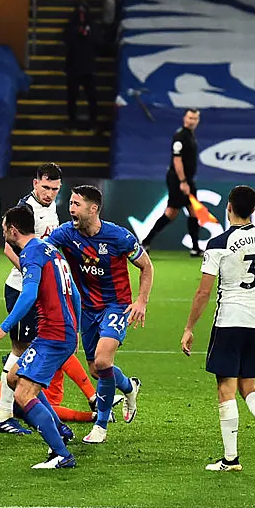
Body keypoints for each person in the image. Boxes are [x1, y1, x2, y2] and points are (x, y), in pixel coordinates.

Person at [180, 185, 255, 473]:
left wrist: (189, 327)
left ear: (229, 207)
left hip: (229, 320)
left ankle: (231, 459)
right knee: (248, 386)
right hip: (254, 320)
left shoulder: (219, 243)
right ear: (253, 209)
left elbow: (203, 293)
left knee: (226, 389)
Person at [47, 185, 152, 444]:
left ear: (93, 209)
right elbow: (43, 252)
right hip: (86, 309)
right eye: (70, 203)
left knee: (104, 362)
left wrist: (141, 301)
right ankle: (128, 386)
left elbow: (146, 266)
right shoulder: (65, 234)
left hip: (116, 306)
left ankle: (100, 426)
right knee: (96, 369)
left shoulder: (118, 237)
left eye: (76, 204)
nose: (71, 208)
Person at [0, 205, 81, 469]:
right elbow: (75, 295)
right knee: (14, 377)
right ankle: (58, 429)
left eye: (4, 229)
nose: (3, 233)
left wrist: (4, 327)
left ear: (12, 230)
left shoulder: (31, 254)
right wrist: (76, 330)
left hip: (54, 334)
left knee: (24, 395)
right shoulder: (51, 250)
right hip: (58, 331)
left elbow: (28, 293)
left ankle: (61, 454)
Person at [0, 162, 63, 435]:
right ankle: (3, 416)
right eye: (45, 187)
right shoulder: (25, 210)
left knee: (31, 348)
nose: (49, 193)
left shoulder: (50, 207)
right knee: (20, 350)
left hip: (37, 287)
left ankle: (20, 406)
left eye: (55, 189)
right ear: (35, 183)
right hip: (22, 287)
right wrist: (32, 271)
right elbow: (8, 249)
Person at [0, 353, 100, 424]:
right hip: (26, 397)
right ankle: (91, 416)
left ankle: (93, 397)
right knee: (45, 409)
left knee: (61, 355)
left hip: (32, 387)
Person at [141, 108, 203, 256]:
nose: (192, 121)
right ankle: (145, 242)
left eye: (195, 118)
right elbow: (177, 160)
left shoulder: (190, 136)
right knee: (171, 212)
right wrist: (183, 181)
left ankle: (195, 248)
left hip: (187, 180)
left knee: (194, 211)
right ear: (184, 118)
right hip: (178, 180)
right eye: (190, 118)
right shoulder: (180, 136)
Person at [64, 0, 100, 132]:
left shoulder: (93, 26)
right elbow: (66, 39)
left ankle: (94, 122)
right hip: (73, 66)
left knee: (92, 97)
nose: (82, 14)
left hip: (88, 67)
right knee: (72, 97)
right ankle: (72, 122)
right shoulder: (70, 26)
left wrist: (88, 33)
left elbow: (98, 41)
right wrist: (77, 31)